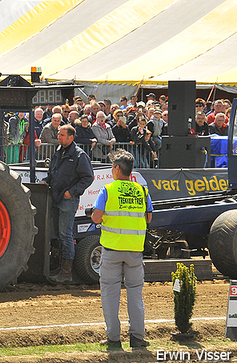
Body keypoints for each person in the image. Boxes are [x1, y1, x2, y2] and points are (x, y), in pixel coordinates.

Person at [91, 149, 152, 349]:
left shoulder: (107, 190)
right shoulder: (142, 190)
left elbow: (97, 218)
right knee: (135, 294)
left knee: (110, 294)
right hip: (135, 251)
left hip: (112, 250)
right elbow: (148, 217)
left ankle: (114, 339)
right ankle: (137, 338)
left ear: (117, 169)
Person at [41, 125, 94, 284]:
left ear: (71, 137)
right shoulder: (59, 152)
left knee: (65, 234)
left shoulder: (79, 155)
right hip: (57, 197)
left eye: (62, 135)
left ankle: (66, 272)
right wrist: (46, 181)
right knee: (59, 234)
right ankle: (62, 269)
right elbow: (53, 173)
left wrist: (72, 192)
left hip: (67, 199)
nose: (59, 137)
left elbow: (88, 178)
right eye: (59, 134)